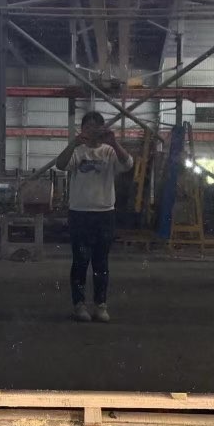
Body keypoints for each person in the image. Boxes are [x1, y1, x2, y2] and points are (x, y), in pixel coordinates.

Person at [55, 111, 134, 323]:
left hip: (104, 214)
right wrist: (72, 144)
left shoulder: (109, 152)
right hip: (80, 214)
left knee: (101, 262)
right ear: (82, 130)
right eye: (87, 127)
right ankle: (79, 304)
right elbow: (60, 165)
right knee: (80, 261)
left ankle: (100, 305)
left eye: (95, 127)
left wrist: (114, 142)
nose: (91, 131)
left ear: (101, 129)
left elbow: (128, 164)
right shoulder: (77, 152)